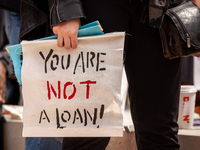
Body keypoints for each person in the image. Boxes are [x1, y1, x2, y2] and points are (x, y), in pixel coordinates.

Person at [20, 0, 200, 150]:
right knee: (88, 129)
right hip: (98, 6)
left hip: (158, 9)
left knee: (161, 131)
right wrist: (65, 9)